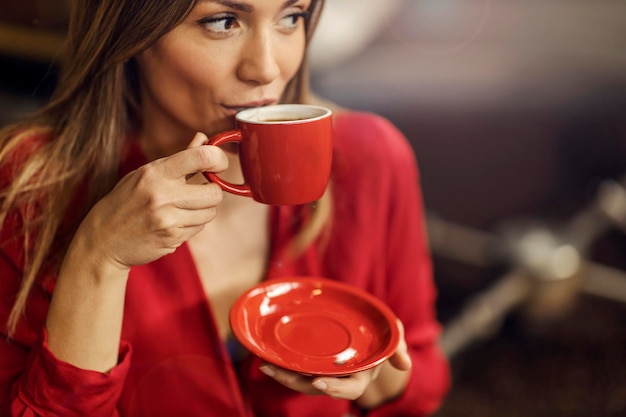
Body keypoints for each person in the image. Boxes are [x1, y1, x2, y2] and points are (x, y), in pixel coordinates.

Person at [0, 0, 450, 416]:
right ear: (131, 30)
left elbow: (422, 378)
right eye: (222, 21)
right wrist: (97, 259)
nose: (268, 68)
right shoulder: (33, 183)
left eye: (291, 16)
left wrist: (367, 375)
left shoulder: (368, 158)